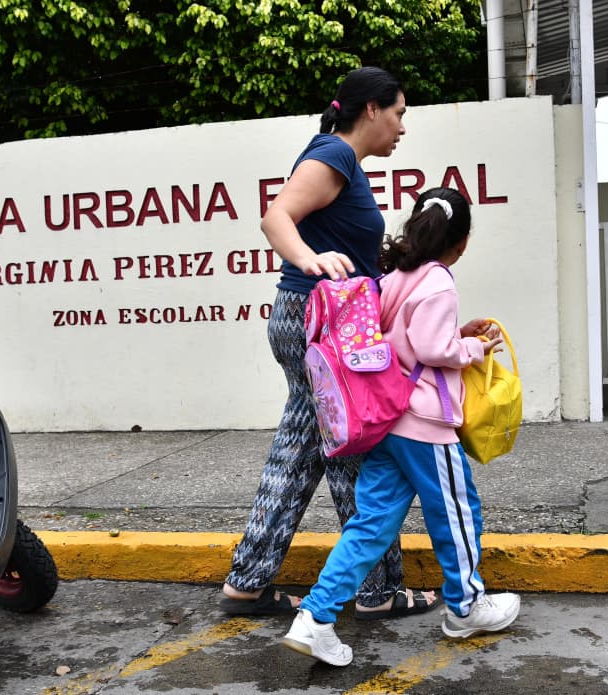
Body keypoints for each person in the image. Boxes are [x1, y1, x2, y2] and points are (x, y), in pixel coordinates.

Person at [221, 67, 437, 618]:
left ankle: (247, 580)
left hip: (315, 322)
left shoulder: (346, 164)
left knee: (299, 454)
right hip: (321, 322)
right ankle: (376, 590)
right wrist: (309, 259)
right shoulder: (334, 155)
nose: (402, 127)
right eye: (399, 113)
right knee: (356, 450)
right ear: (371, 110)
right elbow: (276, 218)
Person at [280, 188, 522, 666]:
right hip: (425, 423)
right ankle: (466, 607)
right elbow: (432, 350)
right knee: (457, 511)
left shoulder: (395, 276)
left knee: (369, 525)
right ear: (463, 241)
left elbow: (407, 341)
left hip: (387, 420)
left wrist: (457, 333)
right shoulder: (439, 282)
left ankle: (315, 617)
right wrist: (473, 349)